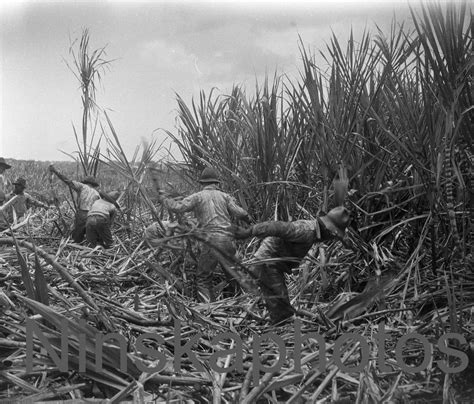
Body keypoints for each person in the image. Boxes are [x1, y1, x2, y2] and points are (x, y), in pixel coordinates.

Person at [233, 206, 354, 325]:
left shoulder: (315, 231)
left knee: (282, 304)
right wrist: (249, 231)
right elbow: (276, 227)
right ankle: (277, 335)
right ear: (328, 230)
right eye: (333, 234)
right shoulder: (305, 230)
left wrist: (347, 243)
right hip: (266, 263)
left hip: (273, 265)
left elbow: (339, 238)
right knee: (281, 310)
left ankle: (280, 323)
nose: (333, 237)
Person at [155, 166, 251, 302]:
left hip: (211, 241)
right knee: (232, 273)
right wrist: (249, 221)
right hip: (227, 240)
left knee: (203, 278)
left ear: (202, 183)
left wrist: (164, 199)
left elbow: (177, 208)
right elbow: (241, 213)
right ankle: (241, 302)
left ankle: (208, 310)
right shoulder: (225, 196)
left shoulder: (198, 197)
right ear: (217, 183)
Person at [49, 165, 100, 243]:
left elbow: (67, 180)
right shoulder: (97, 193)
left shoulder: (82, 186)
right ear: (93, 184)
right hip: (93, 215)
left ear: (86, 182)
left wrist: (55, 171)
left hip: (83, 213)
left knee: (78, 235)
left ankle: (76, 247)